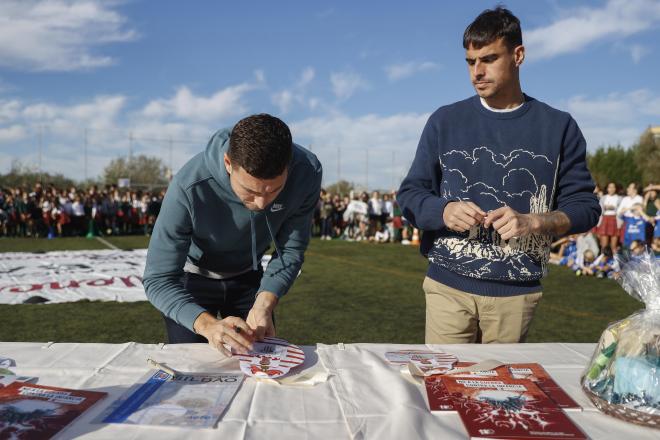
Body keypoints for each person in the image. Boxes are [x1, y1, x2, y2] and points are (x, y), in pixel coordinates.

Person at [397, 7, 600, 344]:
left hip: (515, 295)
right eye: (470, 61)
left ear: (518, 55)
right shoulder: (444, 121)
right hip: (447, 285)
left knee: (500, 392)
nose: (477, 71)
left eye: (488, 59)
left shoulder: (559, 126)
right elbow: (410, 194)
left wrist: (535, 222)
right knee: (442, 388)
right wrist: (443, 211)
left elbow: (586, 207)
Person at [143, 114, 322, 356]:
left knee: (257, 363)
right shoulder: (188, 185)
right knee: (192, 367)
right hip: (193, 279)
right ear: (228, 163)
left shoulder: (307, 172)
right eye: (250, 190)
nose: (261, 203)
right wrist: (207, 325)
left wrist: (265, 302)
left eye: (275, 190)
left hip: (249, 278)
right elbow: (158, 279)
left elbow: (290, 250)